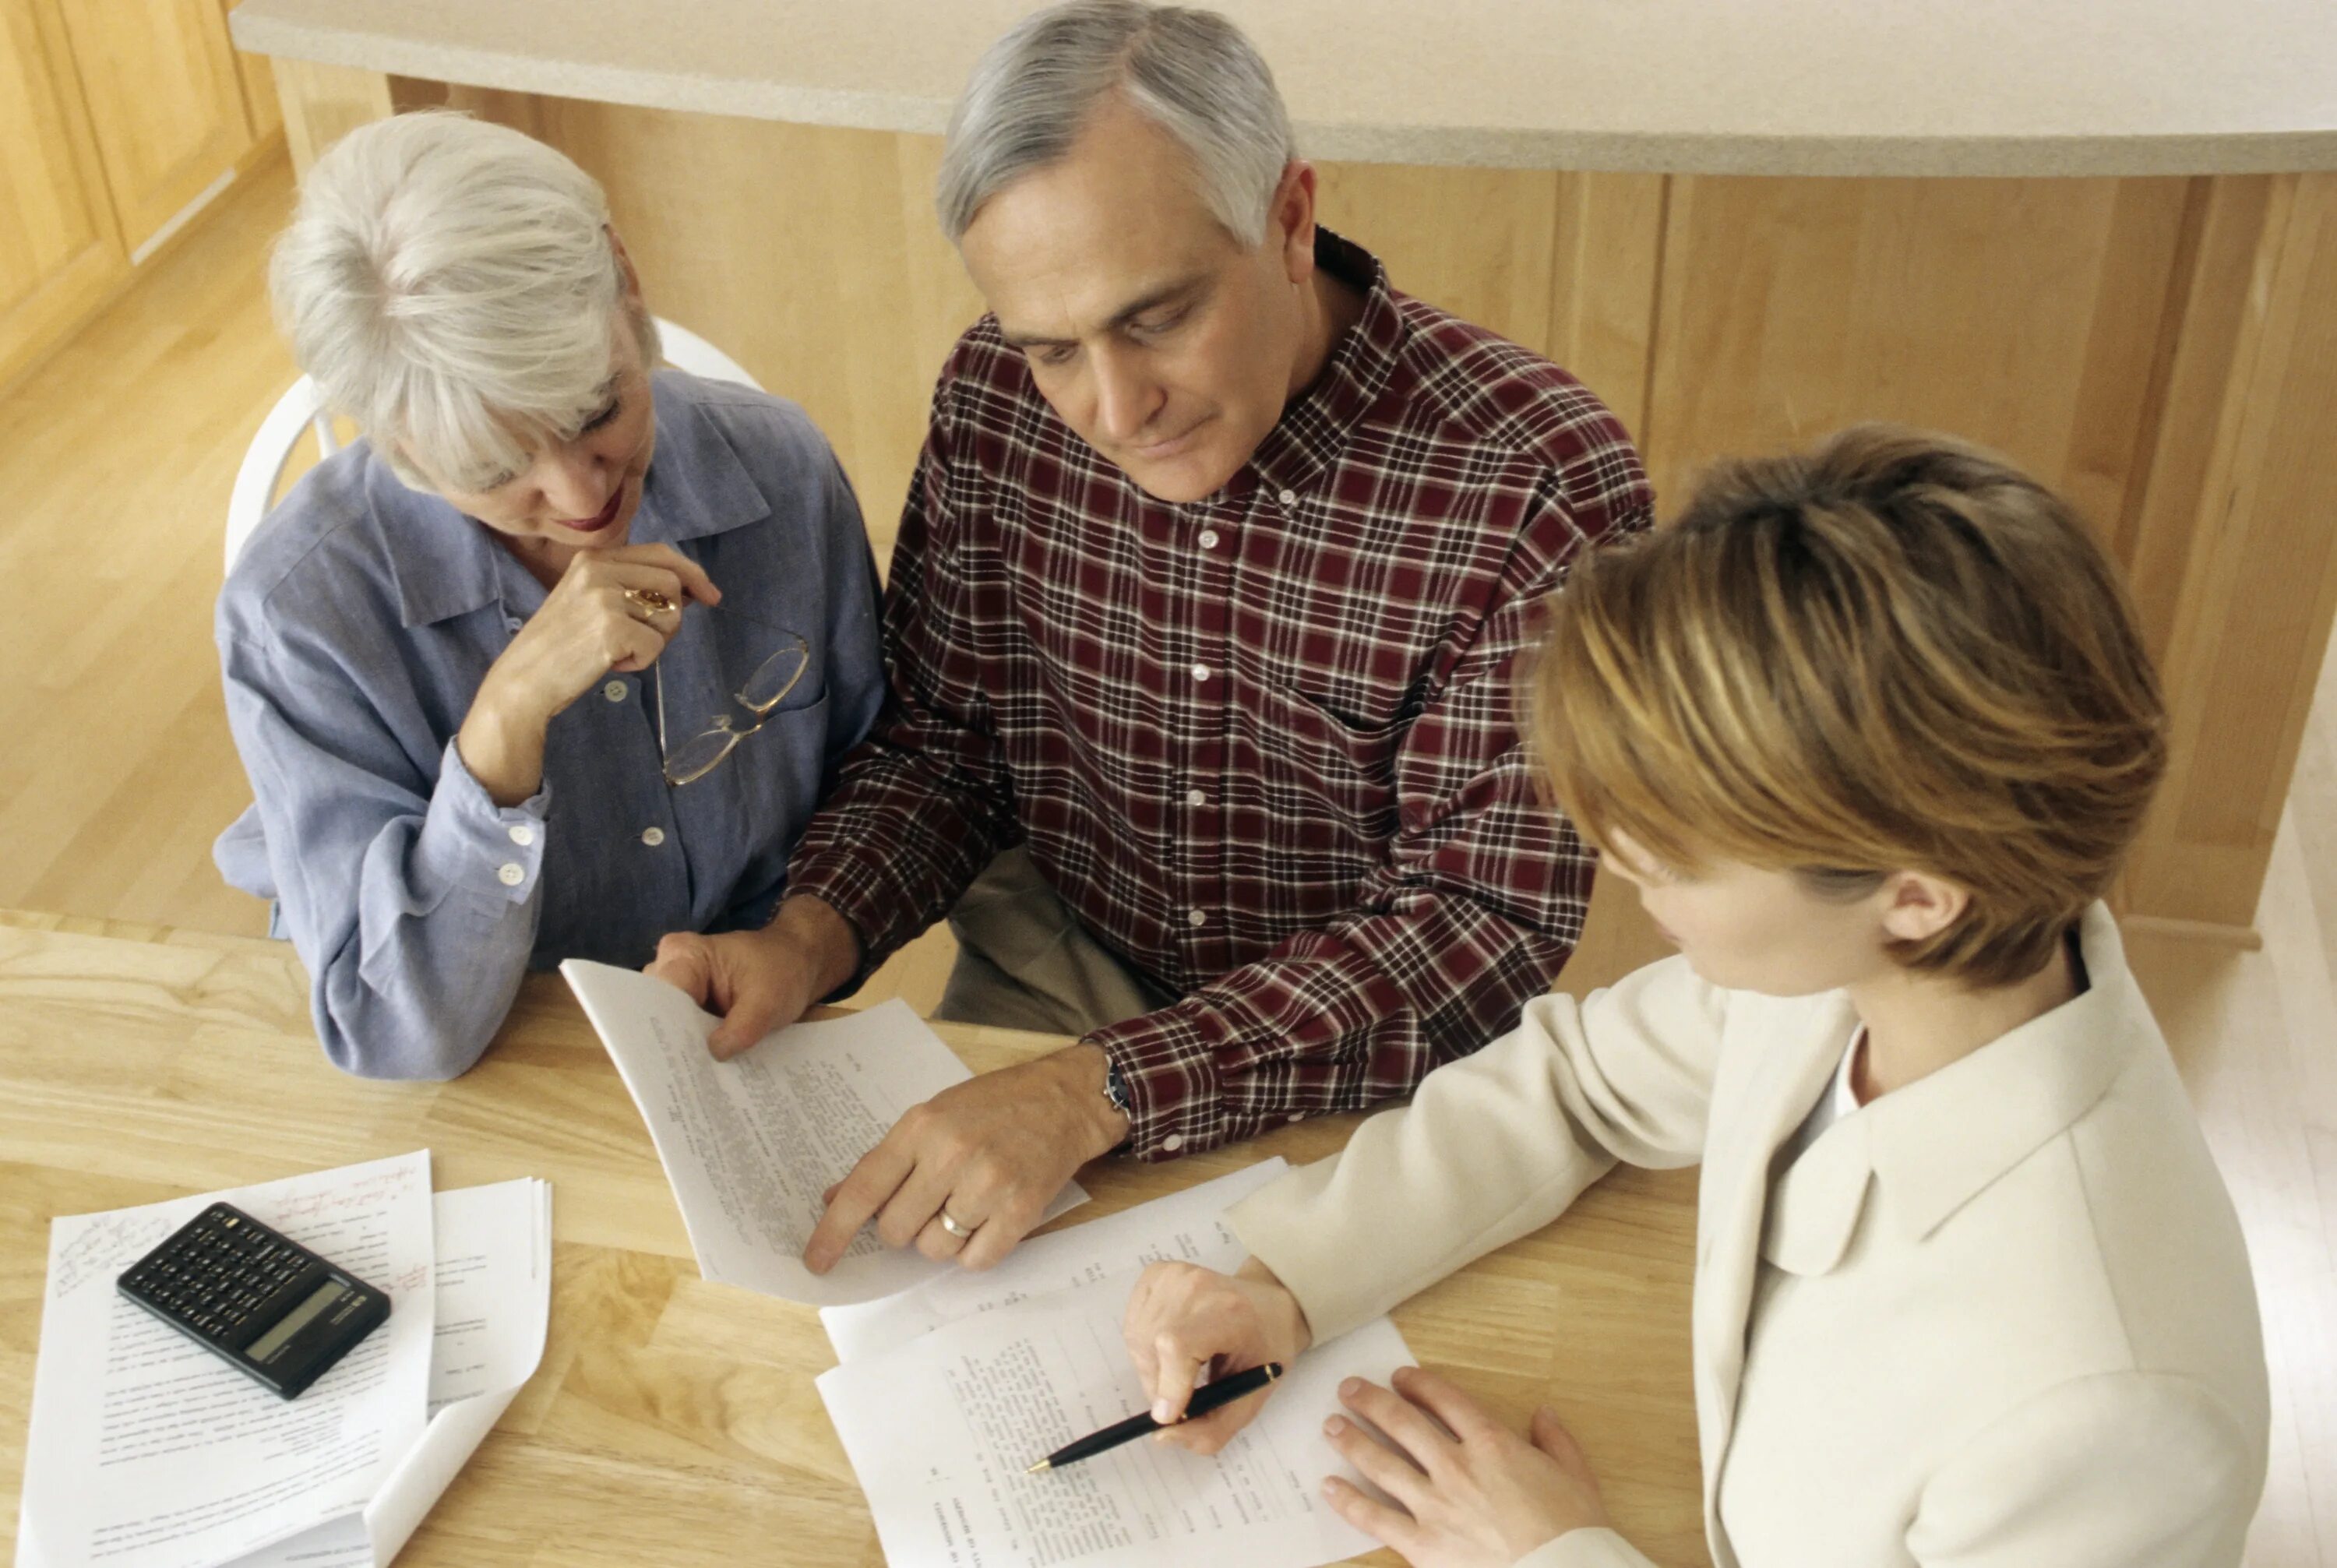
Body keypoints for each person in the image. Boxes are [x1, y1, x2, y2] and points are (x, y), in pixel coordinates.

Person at [1119, 426, 2271, 1566]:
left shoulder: (2113, 1409)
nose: (1618, 863)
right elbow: (1579, 1083)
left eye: (1674, 848)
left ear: (1916, 896)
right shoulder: (1872, 977)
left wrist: (1555, 1553)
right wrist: (1287, 1288)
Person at [650, 0, 1651, 1273]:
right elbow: (949, 746)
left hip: (1370, 1060)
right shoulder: (996, 394)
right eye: (1056, 348)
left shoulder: (1535, 486)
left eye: (1157, 316)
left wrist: (1094, 1090)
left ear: (1289, 219)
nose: (1116, 410)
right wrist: (811, 932)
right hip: (1054, 961)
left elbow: (1474, 931)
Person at [215, 112, 883, 1078]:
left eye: (597, 409)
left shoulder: (778, 470)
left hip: (747, 1036)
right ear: (398, 444)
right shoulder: (298, 612)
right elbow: (394, 1037)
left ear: (628, 283)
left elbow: (882, 777)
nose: (583, 498)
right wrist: (502, 733)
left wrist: (802, 944)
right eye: (492, 466)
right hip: (489, 1056)